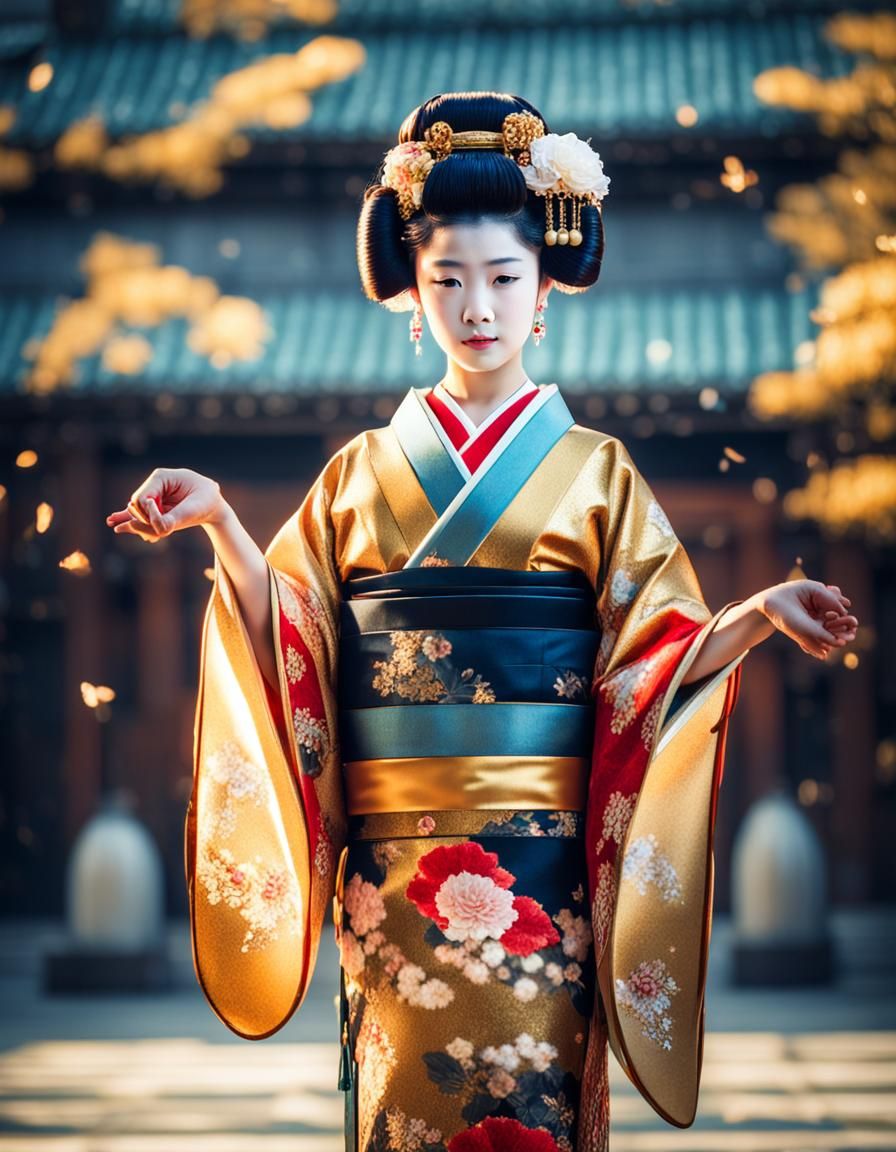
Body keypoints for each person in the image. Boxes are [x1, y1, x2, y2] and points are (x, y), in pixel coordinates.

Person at [105, 91, 858, 1152]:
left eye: (503, 279)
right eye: (446, 280)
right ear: (411, 297)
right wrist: (225, 520)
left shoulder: (595, 473)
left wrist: (753, 614)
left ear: (542, 291)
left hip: (540, 886)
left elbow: (653, 660)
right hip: (392, 892)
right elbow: (296, 642)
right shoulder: (358, 476)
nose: (477, 307)